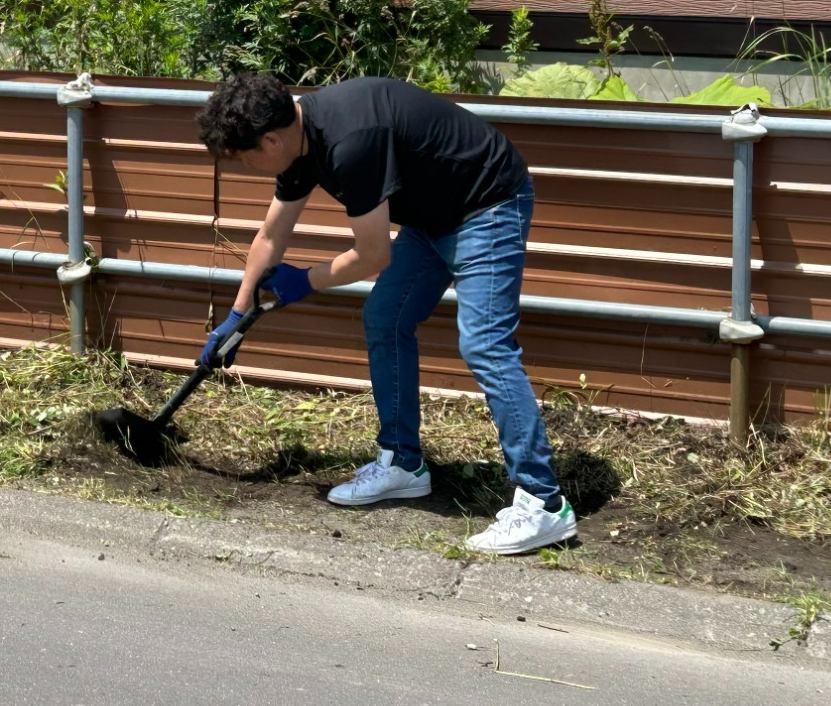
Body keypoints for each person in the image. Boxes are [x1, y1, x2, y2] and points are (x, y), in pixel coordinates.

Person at [194, 72, 575, 555]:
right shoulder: (297, 139)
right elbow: (272, 236)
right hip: (432, 215)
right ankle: (403, 465)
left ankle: (543, 504)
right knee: (385, 317)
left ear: (271, 139)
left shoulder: (351, 144)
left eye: (245, 157)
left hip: (487, 202)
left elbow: (373, 256)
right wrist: (237, 314)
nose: (247, 167)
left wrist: (302, 281)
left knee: (484, 343)